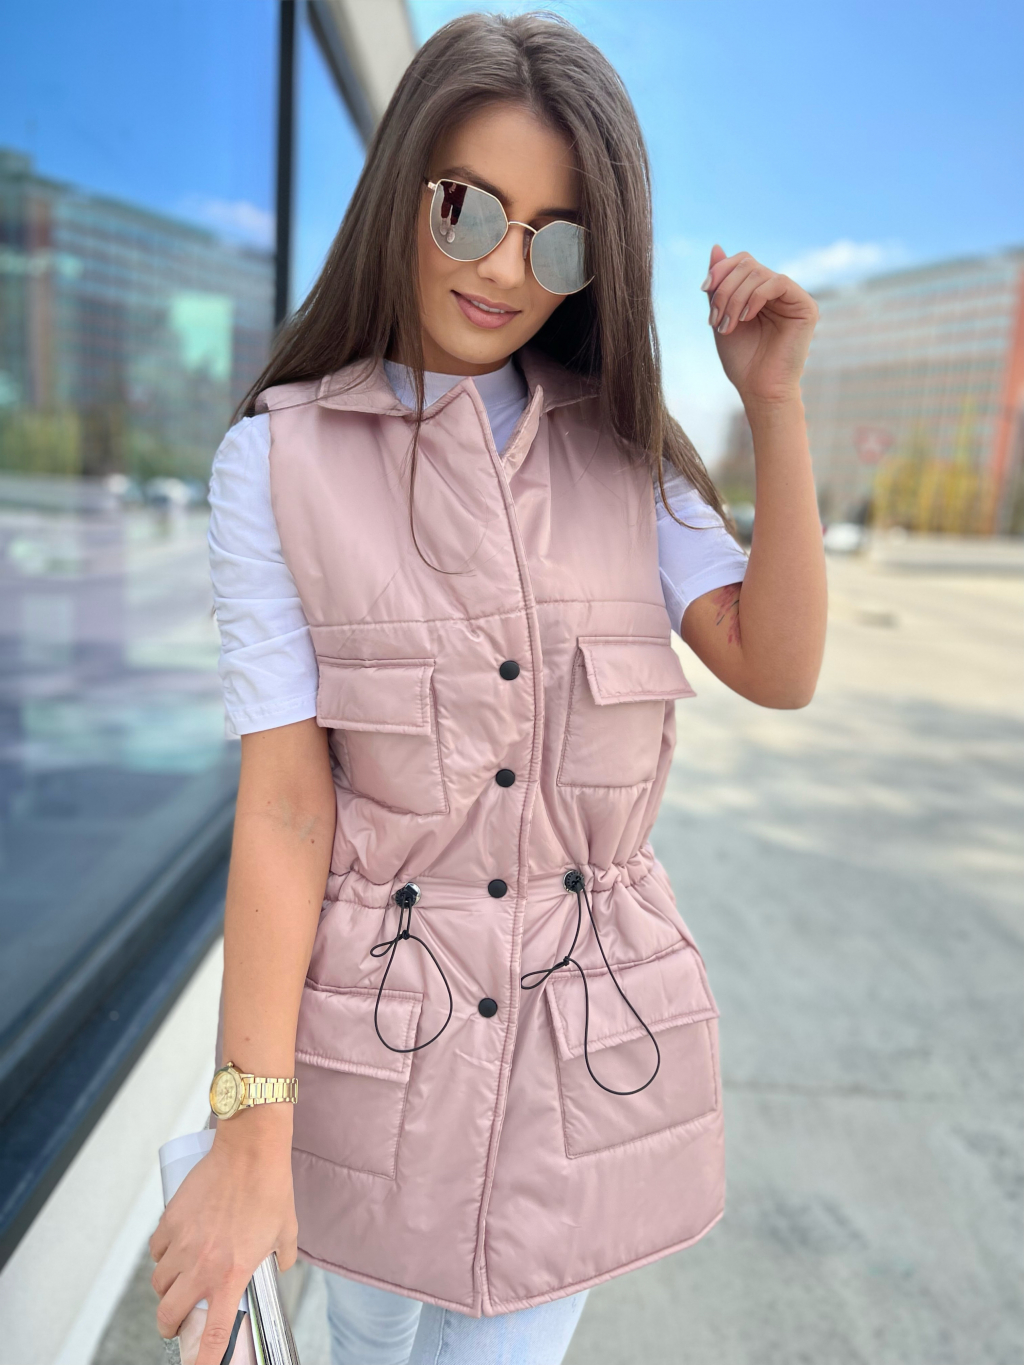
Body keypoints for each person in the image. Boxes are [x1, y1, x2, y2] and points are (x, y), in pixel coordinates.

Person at [149, 12, 826, 1365]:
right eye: (467, 209)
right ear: (402, 190)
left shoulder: (628, 458)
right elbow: (286, 806)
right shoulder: (275, 465)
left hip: (586, 1059)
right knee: (364, 1339)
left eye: (558, 239)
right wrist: (249, 1123)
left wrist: (776, 406)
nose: (506, 268)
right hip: (374, 1050)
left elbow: (780, 663)